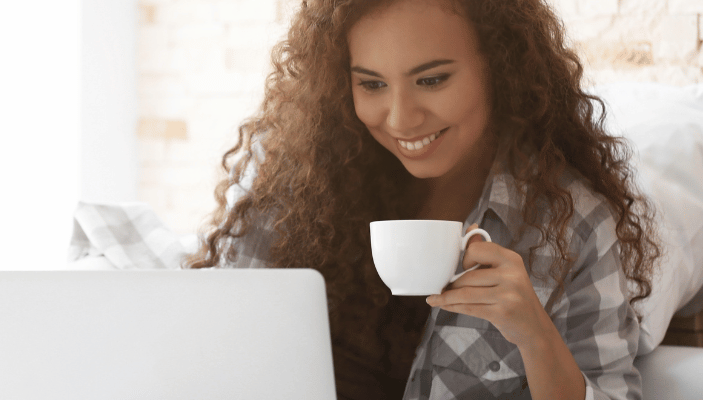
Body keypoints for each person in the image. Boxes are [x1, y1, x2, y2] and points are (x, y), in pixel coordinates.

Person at [185, 0, 661, 399]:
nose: (400, 119)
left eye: (431, 80)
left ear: (500, 69)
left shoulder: (568, 223)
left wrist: (535, 336)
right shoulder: (292, 176)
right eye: (371, 84)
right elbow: (218, 346)